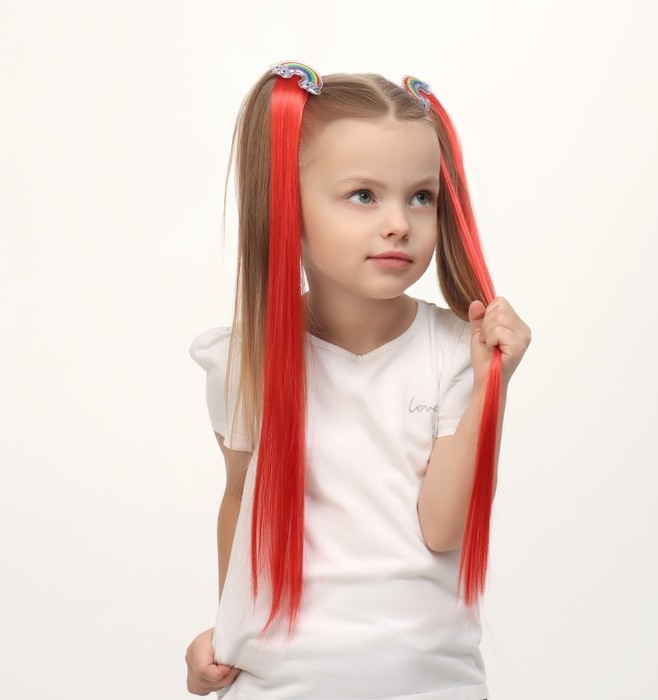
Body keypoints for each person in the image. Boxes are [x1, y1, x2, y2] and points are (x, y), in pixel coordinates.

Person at [184, 61, 531, 699]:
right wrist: (223, 635)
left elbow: (442, 528)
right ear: (289, 210)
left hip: (430, 685)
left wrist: (492, 386)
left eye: (420, 196)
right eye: (364, 195)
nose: (399, 222)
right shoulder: (244, 360)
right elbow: (241, 496)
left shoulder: (456, 351)